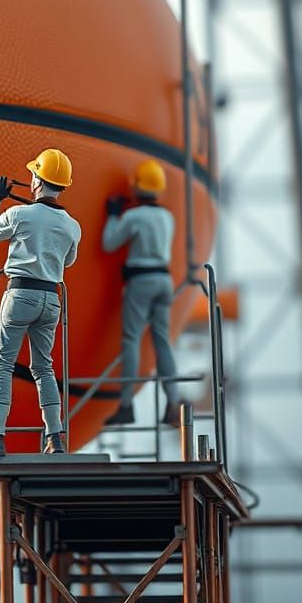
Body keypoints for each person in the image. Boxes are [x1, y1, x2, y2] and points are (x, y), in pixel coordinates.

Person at [0, 148, 81, 462]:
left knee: (2, 364)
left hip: (20, 295)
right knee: (44, 368)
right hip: (52, 299)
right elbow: (67, 261)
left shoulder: (20, 214)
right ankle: (55, 438)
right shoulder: (72, 225)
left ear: (38, 181)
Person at [102, 159, 181, 428]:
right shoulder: (167, 217)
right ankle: (173, 402)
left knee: (131, 340)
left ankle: (126, 405)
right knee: (163, 342)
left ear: (136, 187)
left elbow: (109, 242)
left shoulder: (133, 216)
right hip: (164, 280)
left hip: (141, 279)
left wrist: (113, 215)